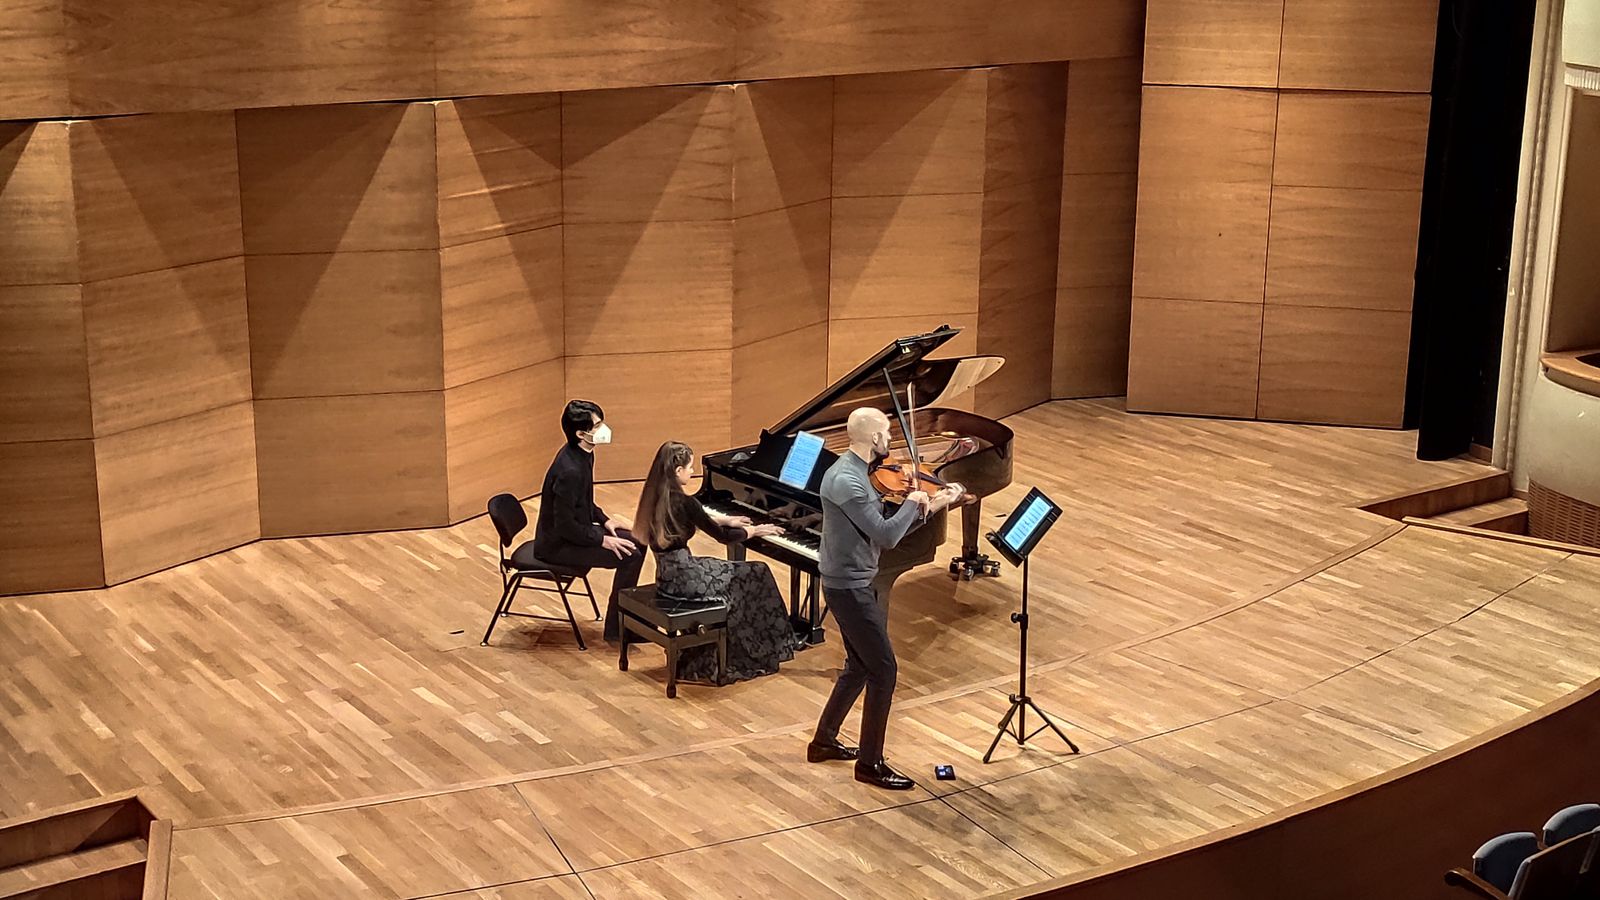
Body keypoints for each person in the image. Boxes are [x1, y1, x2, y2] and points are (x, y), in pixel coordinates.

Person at [807, 408, 963, 790]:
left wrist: (939, 500)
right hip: (850, 586)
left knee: (860, 665)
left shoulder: (857, 472)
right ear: (874, 438)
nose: (891, 441)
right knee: (884, 669)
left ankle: (824, 741)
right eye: (888, 434)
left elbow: (890, 524)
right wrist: (914, 499)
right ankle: (870, 763)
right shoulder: (848, 481)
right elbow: (888, 535)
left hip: (851, 580)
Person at [632, 441, 800, 683]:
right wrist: (755, 531)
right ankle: (758, 649)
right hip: (689, 580)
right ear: (678, 471)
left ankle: (735, 644)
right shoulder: (685, 502)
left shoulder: (655, 496)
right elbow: (723, 538)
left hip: (668, 578)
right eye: (690, 467)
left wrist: (726, 519)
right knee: (756, 572)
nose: (693, 471)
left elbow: (698, 517)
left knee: (738, 574)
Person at [532, 400, 645, 642]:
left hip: (577, 533)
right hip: (557, 546)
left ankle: (625, 621)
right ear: (581, 434)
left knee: (639, 540)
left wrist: (605, 521)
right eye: (598, 425)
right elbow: (565, 526)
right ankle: (617, 630)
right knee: (631, 554)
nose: (604, 429)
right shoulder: (570, 469)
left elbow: (582, 502)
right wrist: (601, 540)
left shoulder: (583, 454)